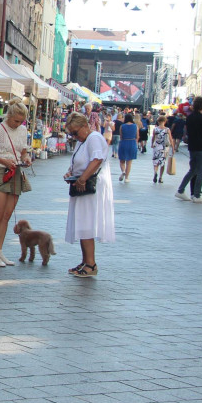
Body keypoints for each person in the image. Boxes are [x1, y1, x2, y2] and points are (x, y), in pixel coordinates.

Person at [0, 100, 31, 268]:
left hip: (15, 171)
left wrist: (26, 159)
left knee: (7, 214)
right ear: (8, 116)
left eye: (21, 121)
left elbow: (23, 152)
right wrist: (4, 160)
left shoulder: (23, 130)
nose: (18, 124)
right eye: (16, 121)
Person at [63, 112, 114, 278]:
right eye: (71, 134)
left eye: (75, 132)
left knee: (86, 223)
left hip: (90, 187)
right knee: (82, 223)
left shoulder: (93, 138)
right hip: (81, 185)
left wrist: (82, 178)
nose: (74, 136)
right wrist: (71, 172)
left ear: (85, 126)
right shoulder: (83, 141)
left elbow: (97, 159)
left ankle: (91, 263)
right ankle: (86, 261)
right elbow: (81, 161)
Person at [175, 96, 202, 204]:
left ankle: (181, 190)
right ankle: (196, 195)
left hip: (192, 146)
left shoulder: (190, 117)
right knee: (201, 171)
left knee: (193, 170)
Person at [117, 110, 138, 182]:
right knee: (129, 162)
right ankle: (126, 178)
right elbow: (137, 136)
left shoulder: (122, 126)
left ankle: (123, 171)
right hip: (132, 142)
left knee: (122, 161)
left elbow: (121, 136)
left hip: (124, 142)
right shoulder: (135, 126)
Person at [150, 115, 171, 183]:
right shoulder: (167, 129)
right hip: (164, 147)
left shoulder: (155, 129)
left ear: (158, 121)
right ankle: (160, 177)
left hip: (156, 146)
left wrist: (152, 144)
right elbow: (170, 139)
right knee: (162, 163)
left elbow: (153, 137)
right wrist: (173, 147)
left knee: (156, 162)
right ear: (165, 121)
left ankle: (155, 172)